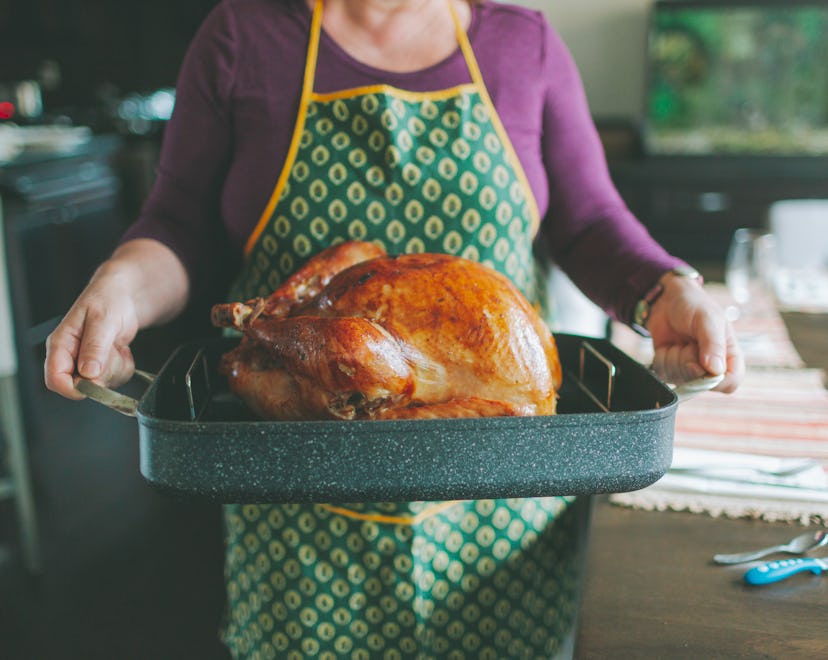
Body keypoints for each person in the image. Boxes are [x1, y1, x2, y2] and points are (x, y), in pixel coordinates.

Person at [45, 0, 744, 657]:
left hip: (498, 508)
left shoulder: (520, 43)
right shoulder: (243, 38)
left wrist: (665, 290)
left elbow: (590, 222)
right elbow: (179, 226)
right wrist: (122, 286)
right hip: (300, 509)